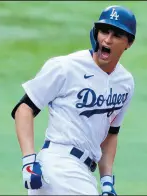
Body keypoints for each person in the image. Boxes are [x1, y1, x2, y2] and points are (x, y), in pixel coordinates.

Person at [11, 5, 136, 195]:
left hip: (83, 173)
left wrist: (107, 182)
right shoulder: (66, 67)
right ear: (95, 33)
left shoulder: (125, 83)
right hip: (59, 166)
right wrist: (28, 162)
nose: (107, 39)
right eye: (104, 31)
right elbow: (24, 108)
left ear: (129, 43)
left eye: (117, 35)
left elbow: (111, 133)